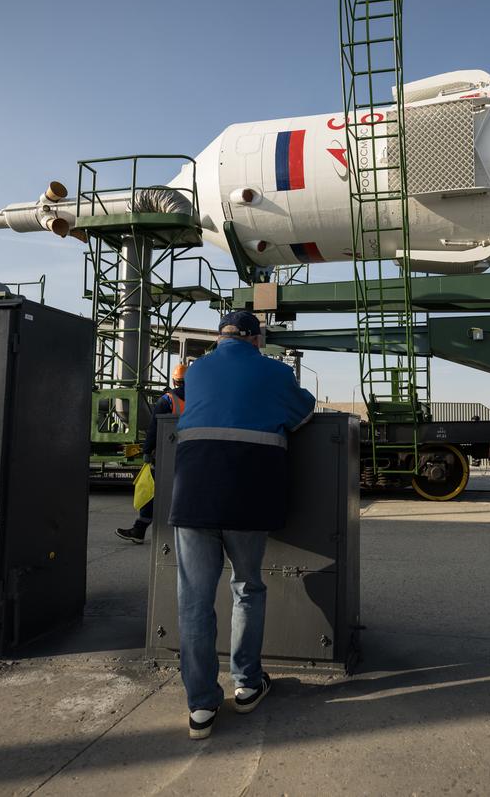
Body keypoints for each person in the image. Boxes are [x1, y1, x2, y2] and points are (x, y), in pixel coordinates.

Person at [170, 310, 315, 740]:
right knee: (247, 586)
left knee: (194, 602)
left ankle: (200, 706)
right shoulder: (274, 371)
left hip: (193, 493)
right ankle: (248, 684)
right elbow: (303, 413)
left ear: (221, 337)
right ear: (257, 339)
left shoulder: (196, 371)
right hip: (249, 497)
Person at [115, 363, 187, 543]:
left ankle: (139, 530)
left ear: (174, 380)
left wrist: (147, 451)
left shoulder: (167, 400)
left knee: (154, 492)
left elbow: (154, 428)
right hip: (191, 454)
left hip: (167, 454)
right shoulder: (199, 398)